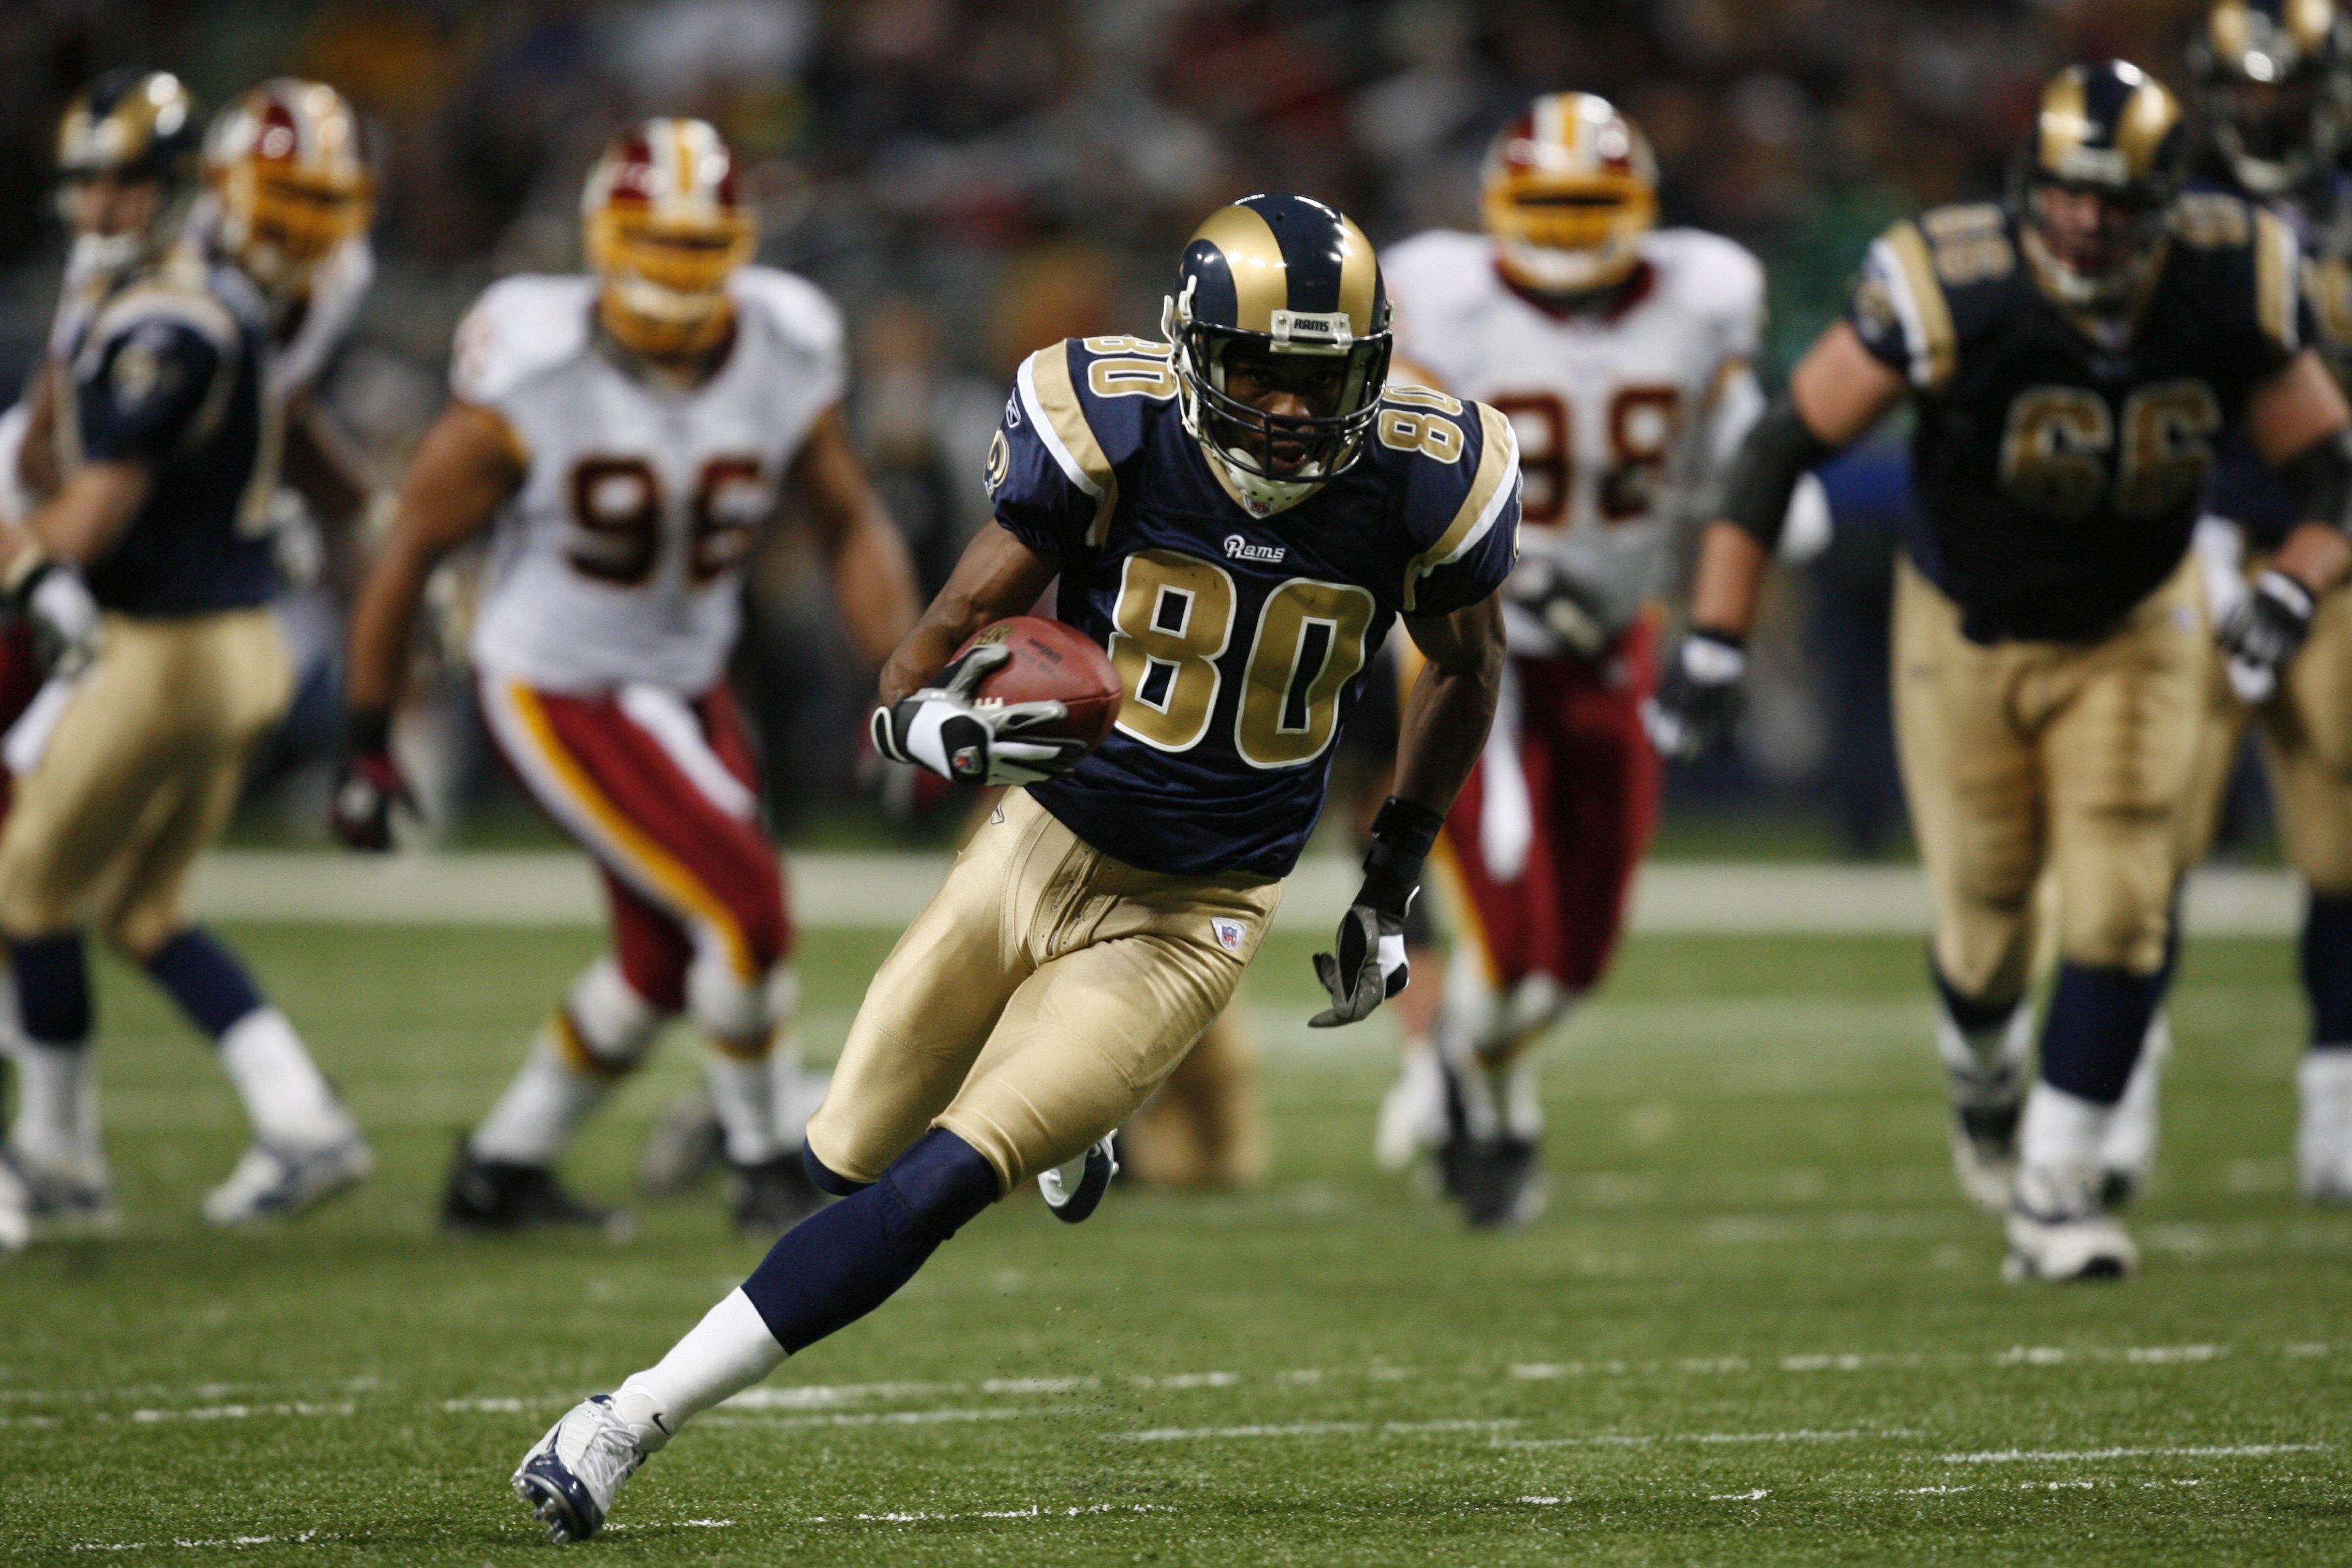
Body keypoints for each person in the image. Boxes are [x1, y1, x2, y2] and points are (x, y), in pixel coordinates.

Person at [505, 191, 1518, 1542]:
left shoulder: (1431, 473)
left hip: (1199, 913)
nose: (1288, 411)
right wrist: (924, 723)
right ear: (1195, 353)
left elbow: (1466, 666)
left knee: (934, 1185)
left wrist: (1392, 875)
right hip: (1036, 839)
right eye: (1263, 372)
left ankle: (621, 1420)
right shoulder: (1109, 419)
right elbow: (941, 632)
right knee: (841, 1157)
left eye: (1321, 379)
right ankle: (1070, 1119)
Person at [1646, 60, 2352, 1281]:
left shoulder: (2233, 278)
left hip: (2141, 615)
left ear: (2171, 204)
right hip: (1963, 629)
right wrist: (1713, 635)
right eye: (2071, 194)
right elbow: (1781, 447)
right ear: (2032, 188)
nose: (2089, 222)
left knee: (2127, 891)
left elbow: (2330, 475)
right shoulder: (1952, 281)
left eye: (2119, 199)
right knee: (1984, 927)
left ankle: (2059, 1188)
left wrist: (2294, 579)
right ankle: (1985, 1081)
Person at [334, 119, 919, 1238]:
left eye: (703, 247)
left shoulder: (787, 341)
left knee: (660, 960)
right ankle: (764, 1165)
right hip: (557, 680)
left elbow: (847, 520)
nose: (678, 273)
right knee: (746, 907)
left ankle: (501, 1172)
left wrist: (906, 684)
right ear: (601, 239)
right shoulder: (534, 358)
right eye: (656, 242)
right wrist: (369, 731)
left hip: (684, 677)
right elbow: (411, 545)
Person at [1375, 91, 1828, 1225]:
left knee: (1578, 956)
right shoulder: (1440, 296)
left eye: (1592, 208)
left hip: (1614, 643)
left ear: (1638, 210)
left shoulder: (1702, 298)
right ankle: (1488, 1101)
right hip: (1472, 649)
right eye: (1549, 208)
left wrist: (1757, 511)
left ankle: (1474, 1071)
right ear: (1498, 209)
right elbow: (1382, 467)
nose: (1572, 233)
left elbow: (1747, 450)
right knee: (1511, 919)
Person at [0, 68, 370, 1229]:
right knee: (144, 910)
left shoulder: (169, 314)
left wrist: (18, 555)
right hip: (238, 648)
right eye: (87, 183)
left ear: (177, 190)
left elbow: (96, 512)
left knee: (26, 894)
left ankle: (56, 1160)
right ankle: (301, 1118)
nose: (101, 205)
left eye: (125, 184)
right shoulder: (177, 291)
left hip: (161, 653)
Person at [2175, 0, 2352, 1202]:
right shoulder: (2158, 194)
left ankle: (2336, 1094)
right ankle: (2114, 1093)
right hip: (2182, 527)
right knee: (2151, 821)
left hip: (2331, 526)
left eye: (2284, 84)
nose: (2265, 107)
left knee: (2338, 820)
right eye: (2244, 85)